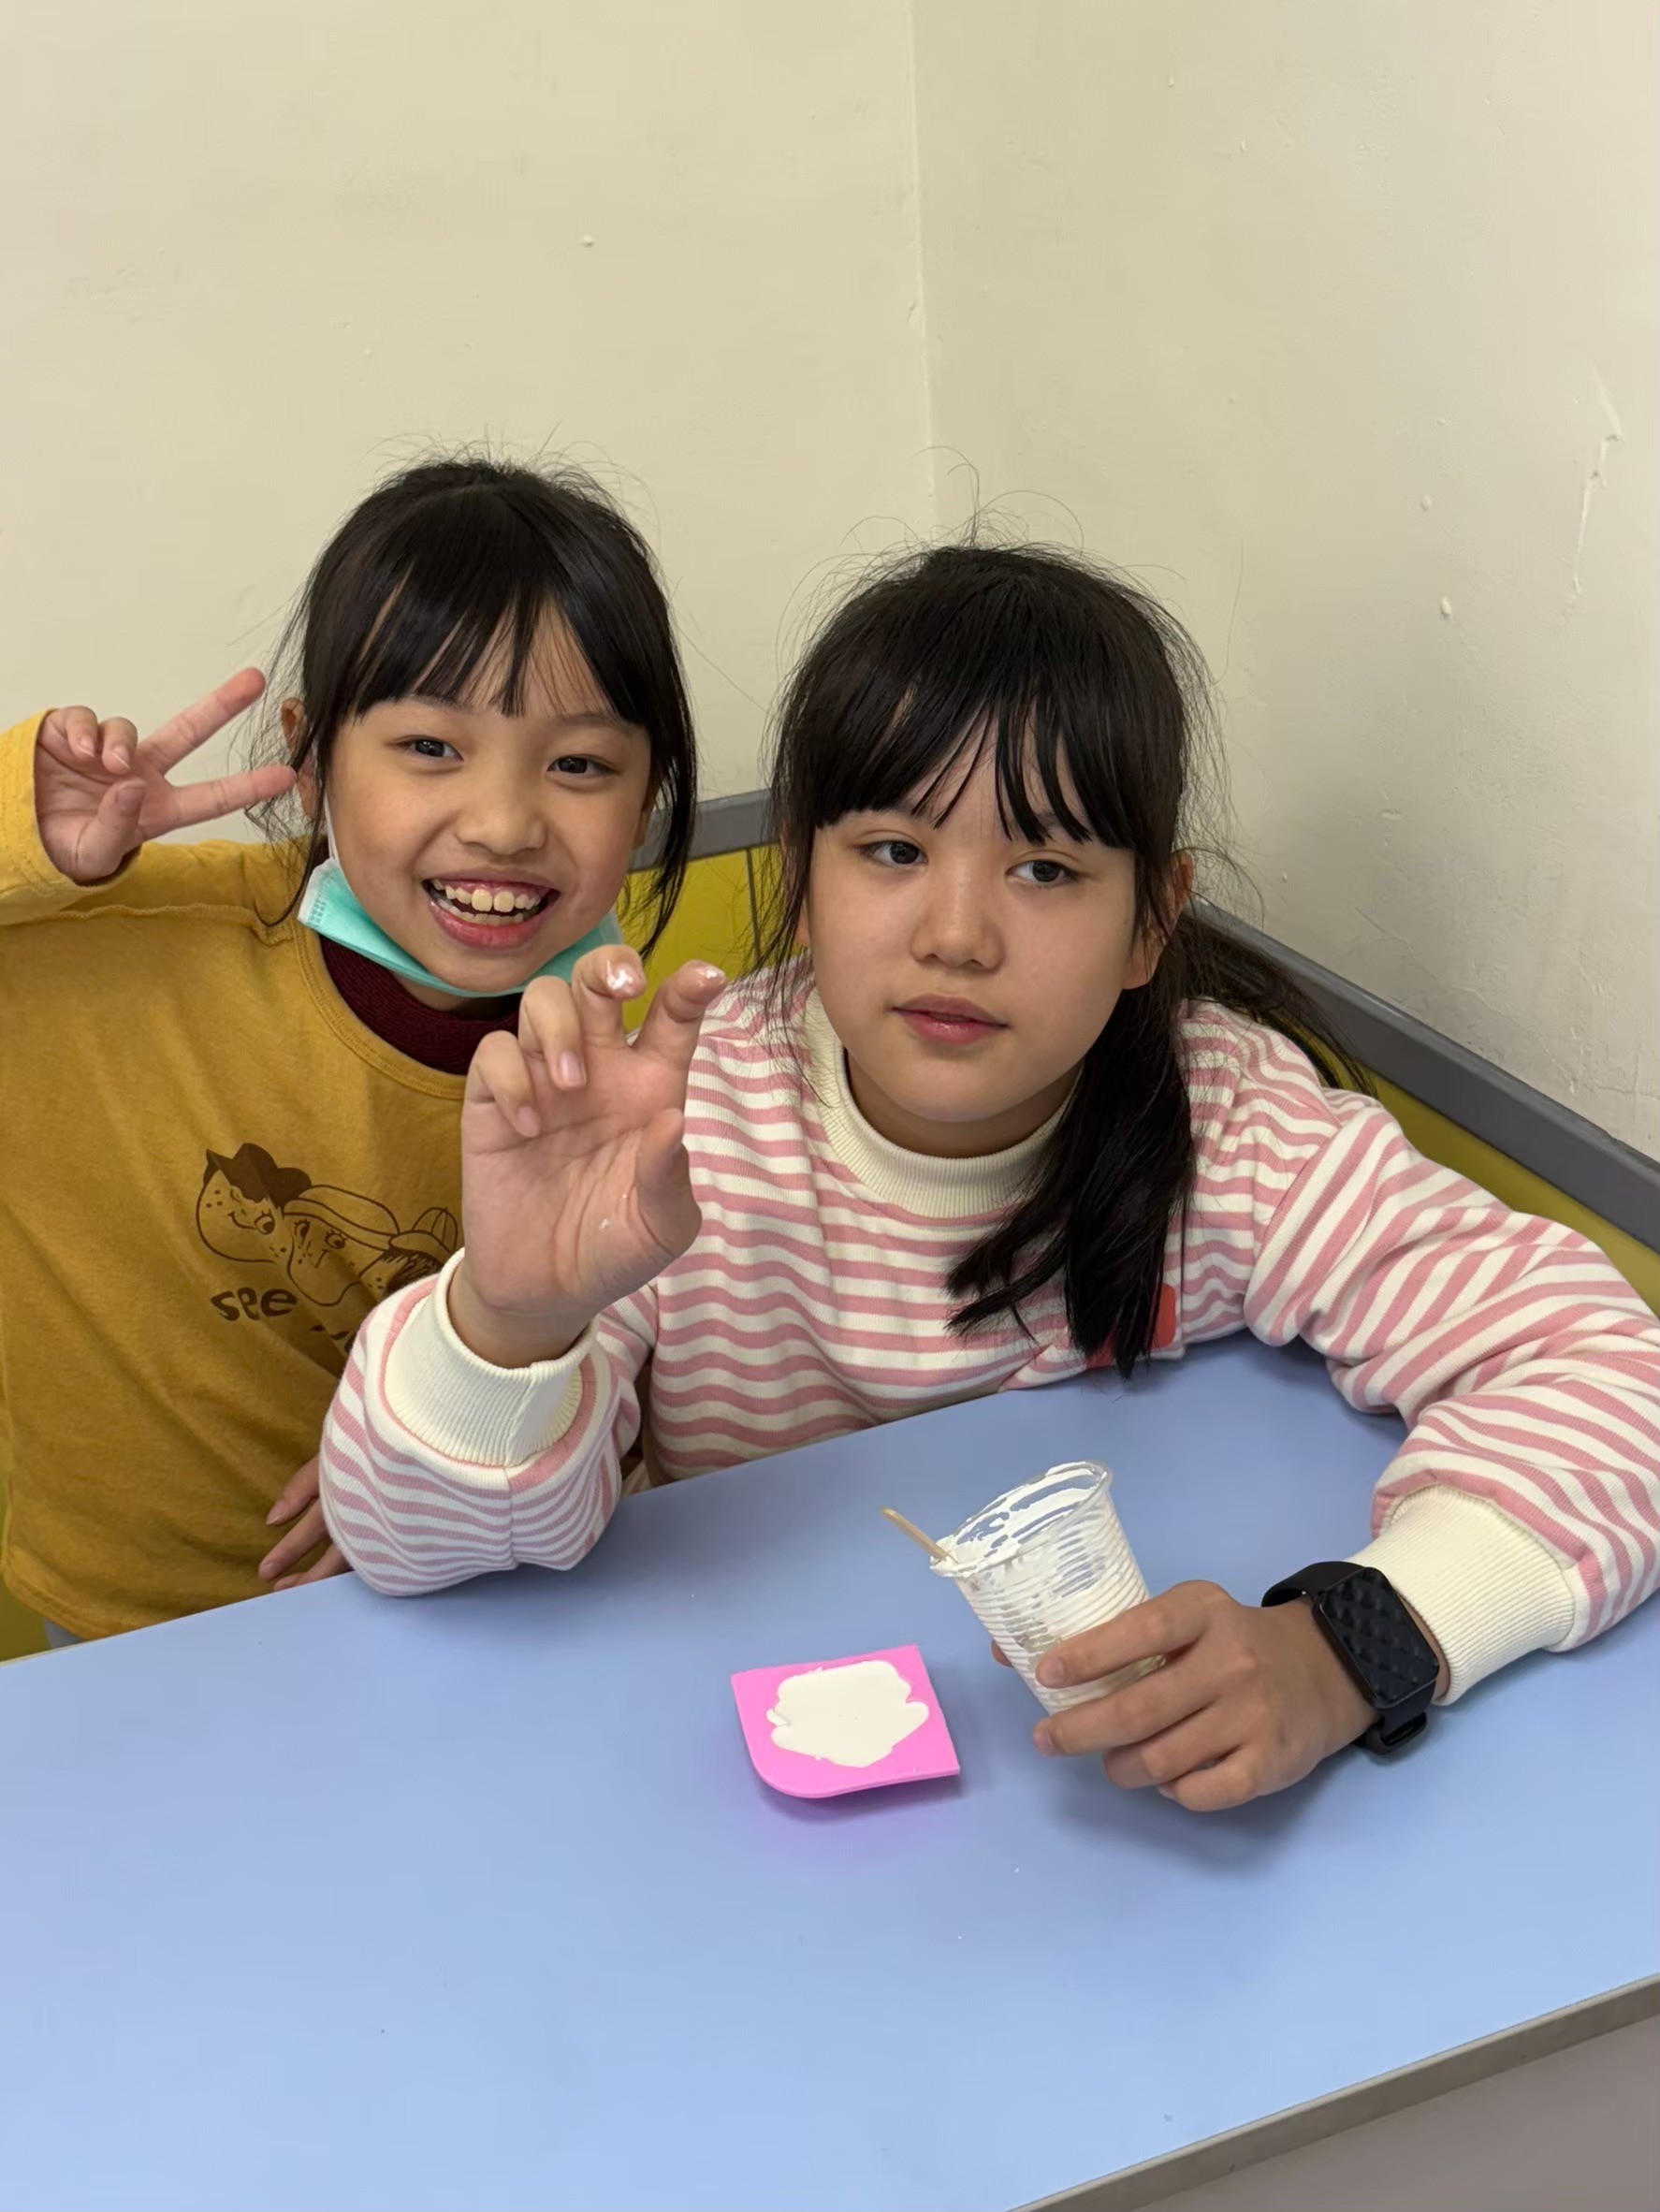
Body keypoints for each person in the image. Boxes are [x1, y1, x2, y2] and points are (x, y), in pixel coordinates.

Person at [318, 541, 1659, 1811]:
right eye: (893, 852)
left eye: (1044, 867)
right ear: (801, 875)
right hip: (747, 1773)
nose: (957, 935)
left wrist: (1348, 1647)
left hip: (1092, 1797)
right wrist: (510, 1321)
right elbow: (408, 1553)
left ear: (1150, 921)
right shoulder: (686, 1123)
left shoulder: (1231, 1125)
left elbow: (1611, 1374)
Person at [0, 455, 696, 1640]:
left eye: (579, 764)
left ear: (646, 801)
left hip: (473, 1605)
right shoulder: (103, 941)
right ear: (313, 759)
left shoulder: (632, 1064)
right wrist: (29, 826)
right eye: (430, 746)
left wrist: (418, 1461)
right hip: (127, 1629)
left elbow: (608, 1406)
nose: (503, 823)